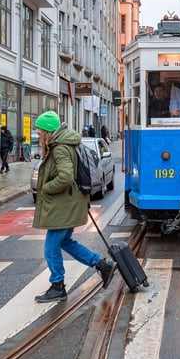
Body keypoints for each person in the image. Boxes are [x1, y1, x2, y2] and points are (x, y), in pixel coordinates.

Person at [31, 111, 116, 302]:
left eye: (39, 129)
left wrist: (45, 188)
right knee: (65, 242)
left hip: (64, 206)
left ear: (47, 131)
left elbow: (66, 177)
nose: (37, 133)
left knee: (50, 248)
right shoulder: (65, 143)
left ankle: (58, 286)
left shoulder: (60, 148)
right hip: (70, 203)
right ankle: (102, 265)